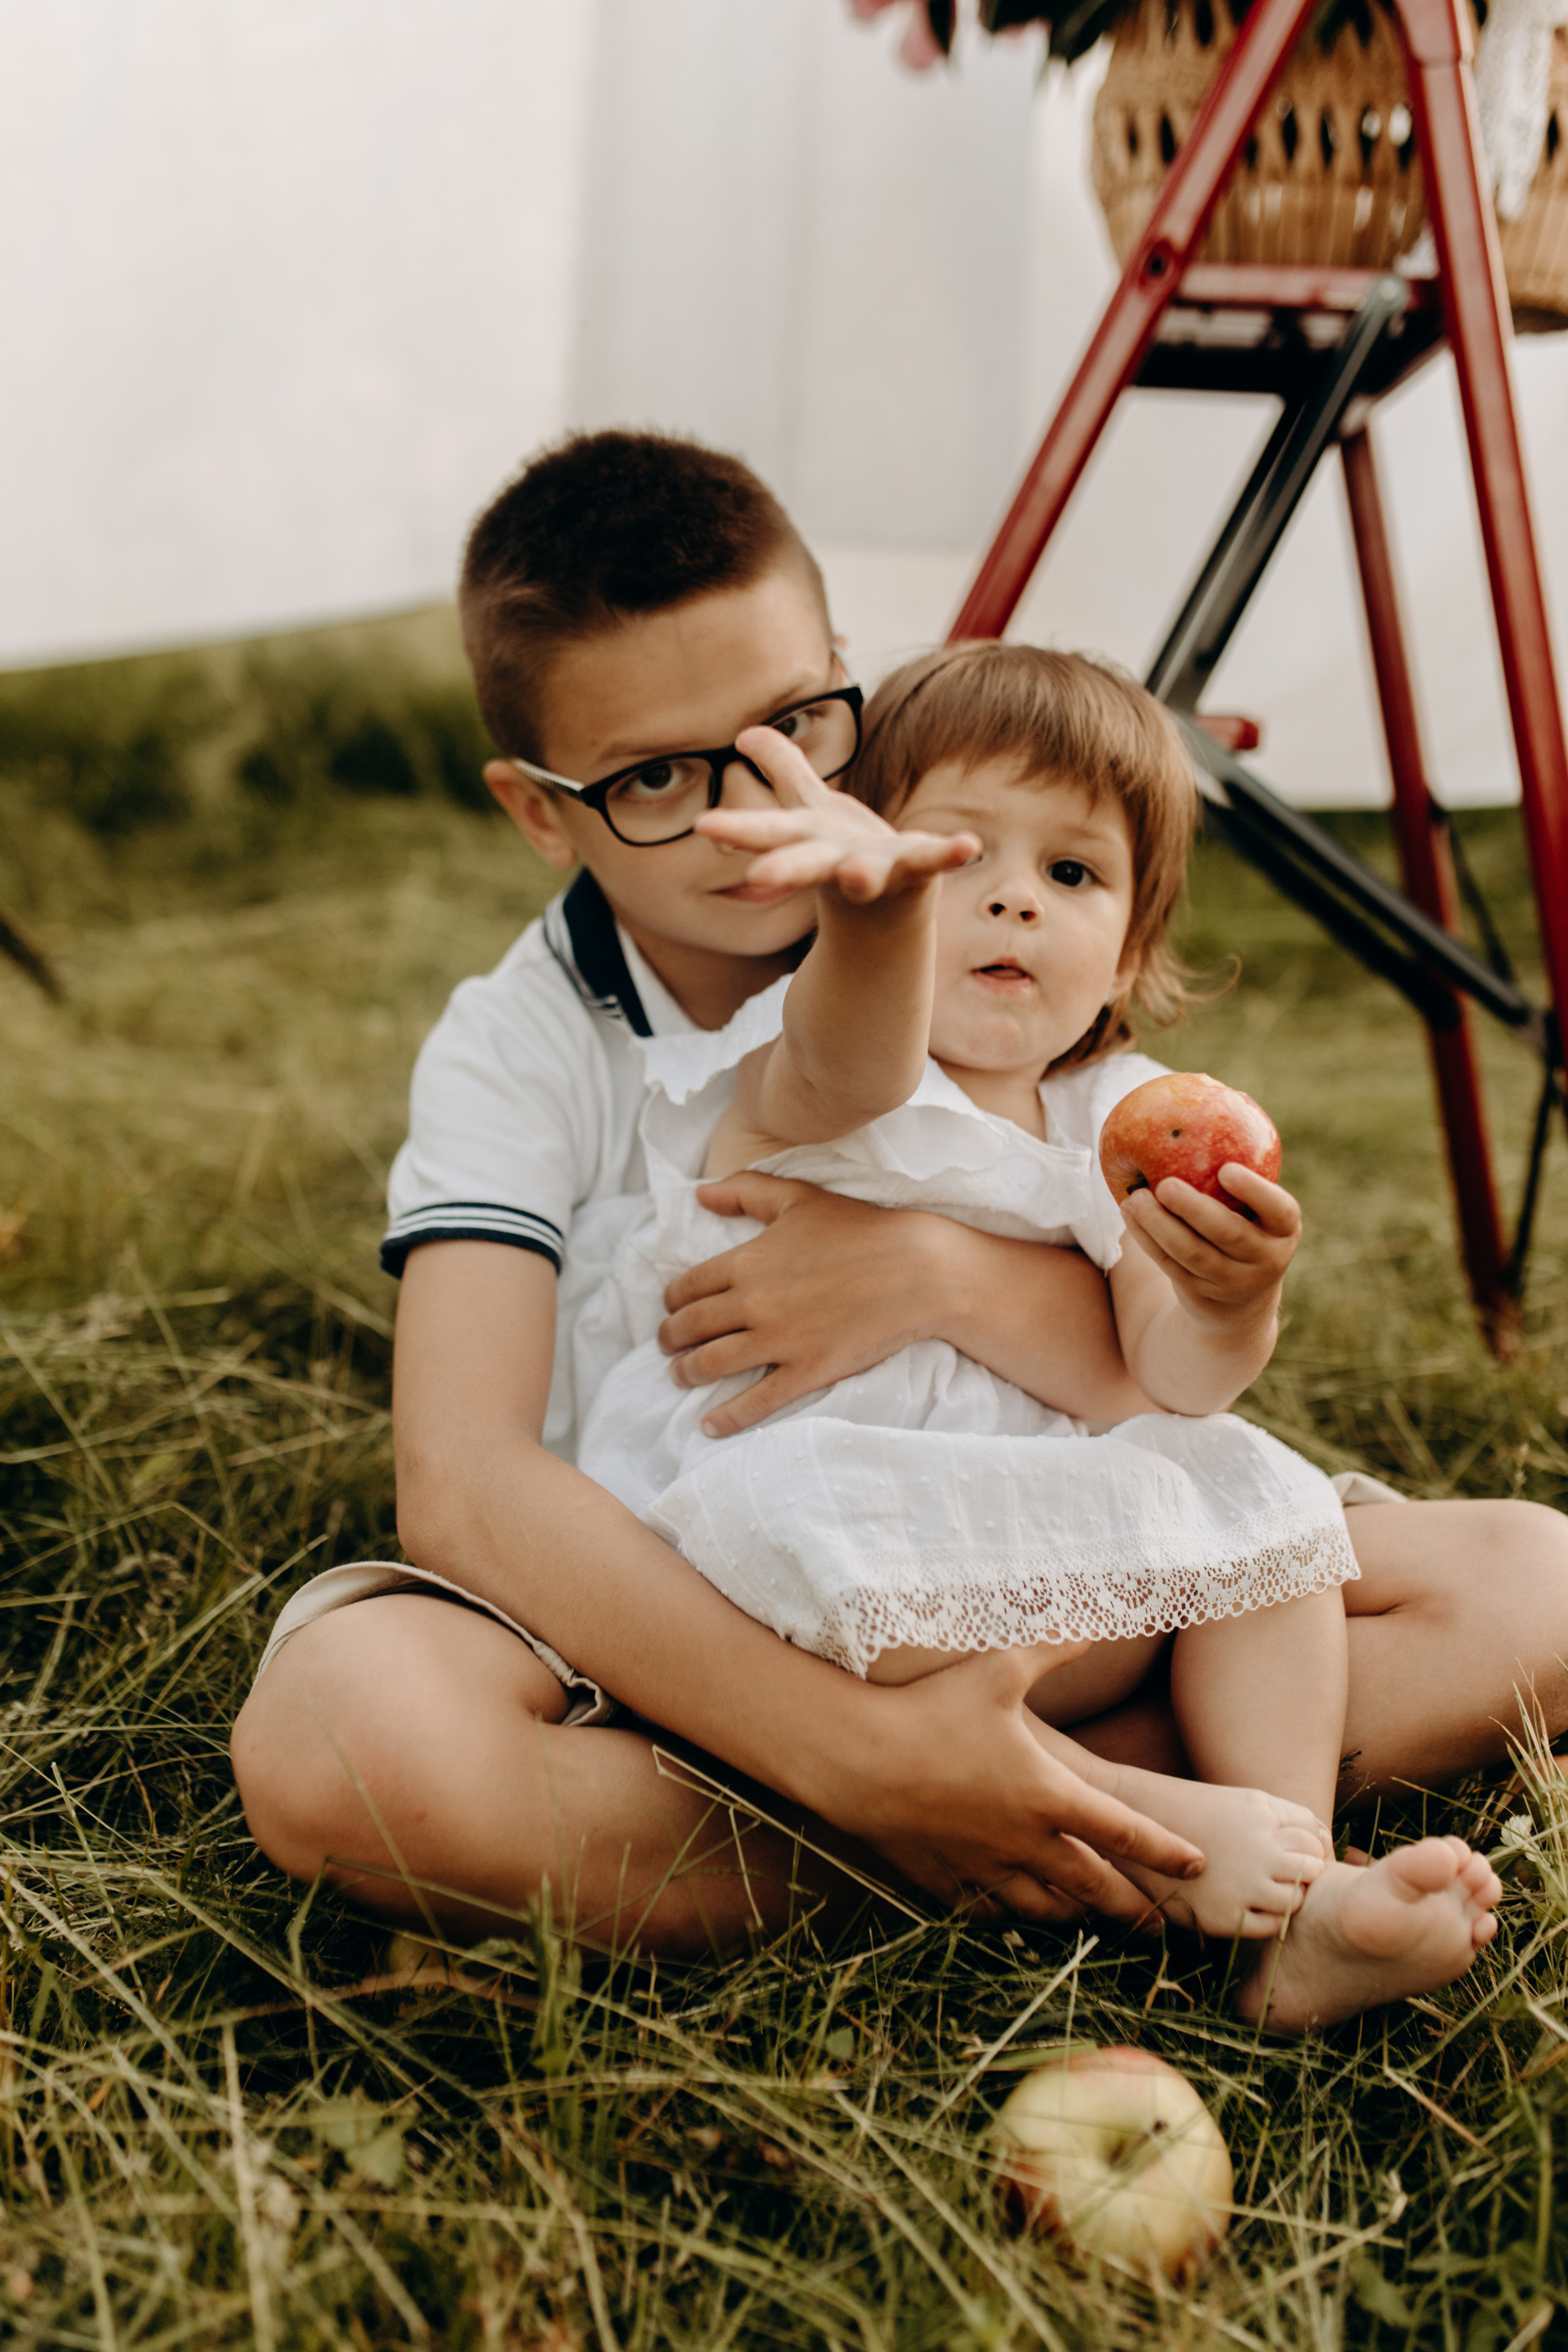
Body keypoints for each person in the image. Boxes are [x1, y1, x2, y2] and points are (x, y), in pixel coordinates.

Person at [230, 429, 1567, 1986]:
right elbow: (461, 1486)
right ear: (542, 813)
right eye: (658, 778)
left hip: (1031, 1534)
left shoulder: (1002, 946)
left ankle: (1017, 1824)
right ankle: (1039, 1818)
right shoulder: (535, 1039)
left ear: (842, 682)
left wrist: (941, 1271)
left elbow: (1155, 1375)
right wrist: (858, 1756)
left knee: (1530, 1578)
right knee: (349, 1739)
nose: (753, 807)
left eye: (791, 726)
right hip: (689, 1614)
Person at [570, 642, 1502, 2026]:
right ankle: (1128, 1811)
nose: (1011, 896)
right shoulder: (806, 1061)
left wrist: (1228, 1296)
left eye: (1071, 875)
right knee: (805, 1528)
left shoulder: (1117, 1115)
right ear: (853, 884)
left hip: (1016, 1550)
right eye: (956, 858)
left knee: (1263, 1501)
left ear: (1124, 949)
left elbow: (1168, 1377)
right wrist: (872, 919)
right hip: (779, 1543)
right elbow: (850, 1042)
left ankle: (1290, 1890)